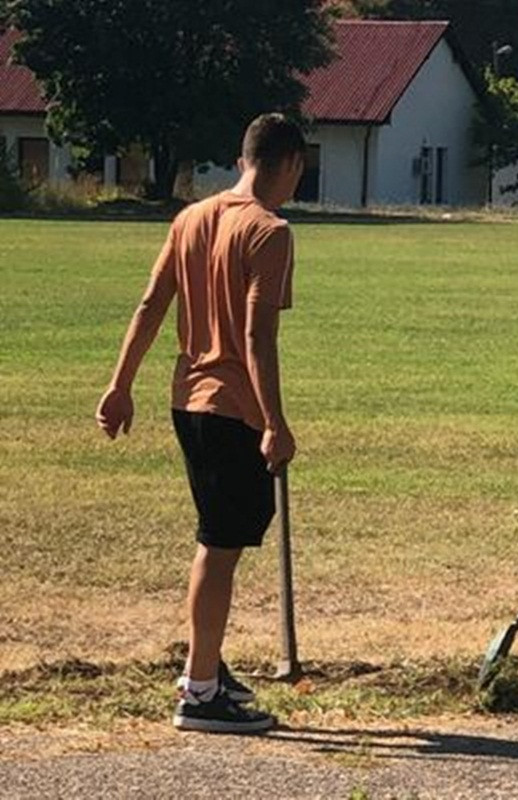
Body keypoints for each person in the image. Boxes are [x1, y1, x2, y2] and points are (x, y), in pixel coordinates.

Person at [95, 112, 305, 734]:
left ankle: (207, 664)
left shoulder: (190, 217)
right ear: (288, 163)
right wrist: (275, 421)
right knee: (219, 543)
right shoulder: (270, 231)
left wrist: (120, 384)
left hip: (186, 400)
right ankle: (201, 688)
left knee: (222, 535)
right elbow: (256, 335)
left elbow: (152, 302)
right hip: (231, 406)